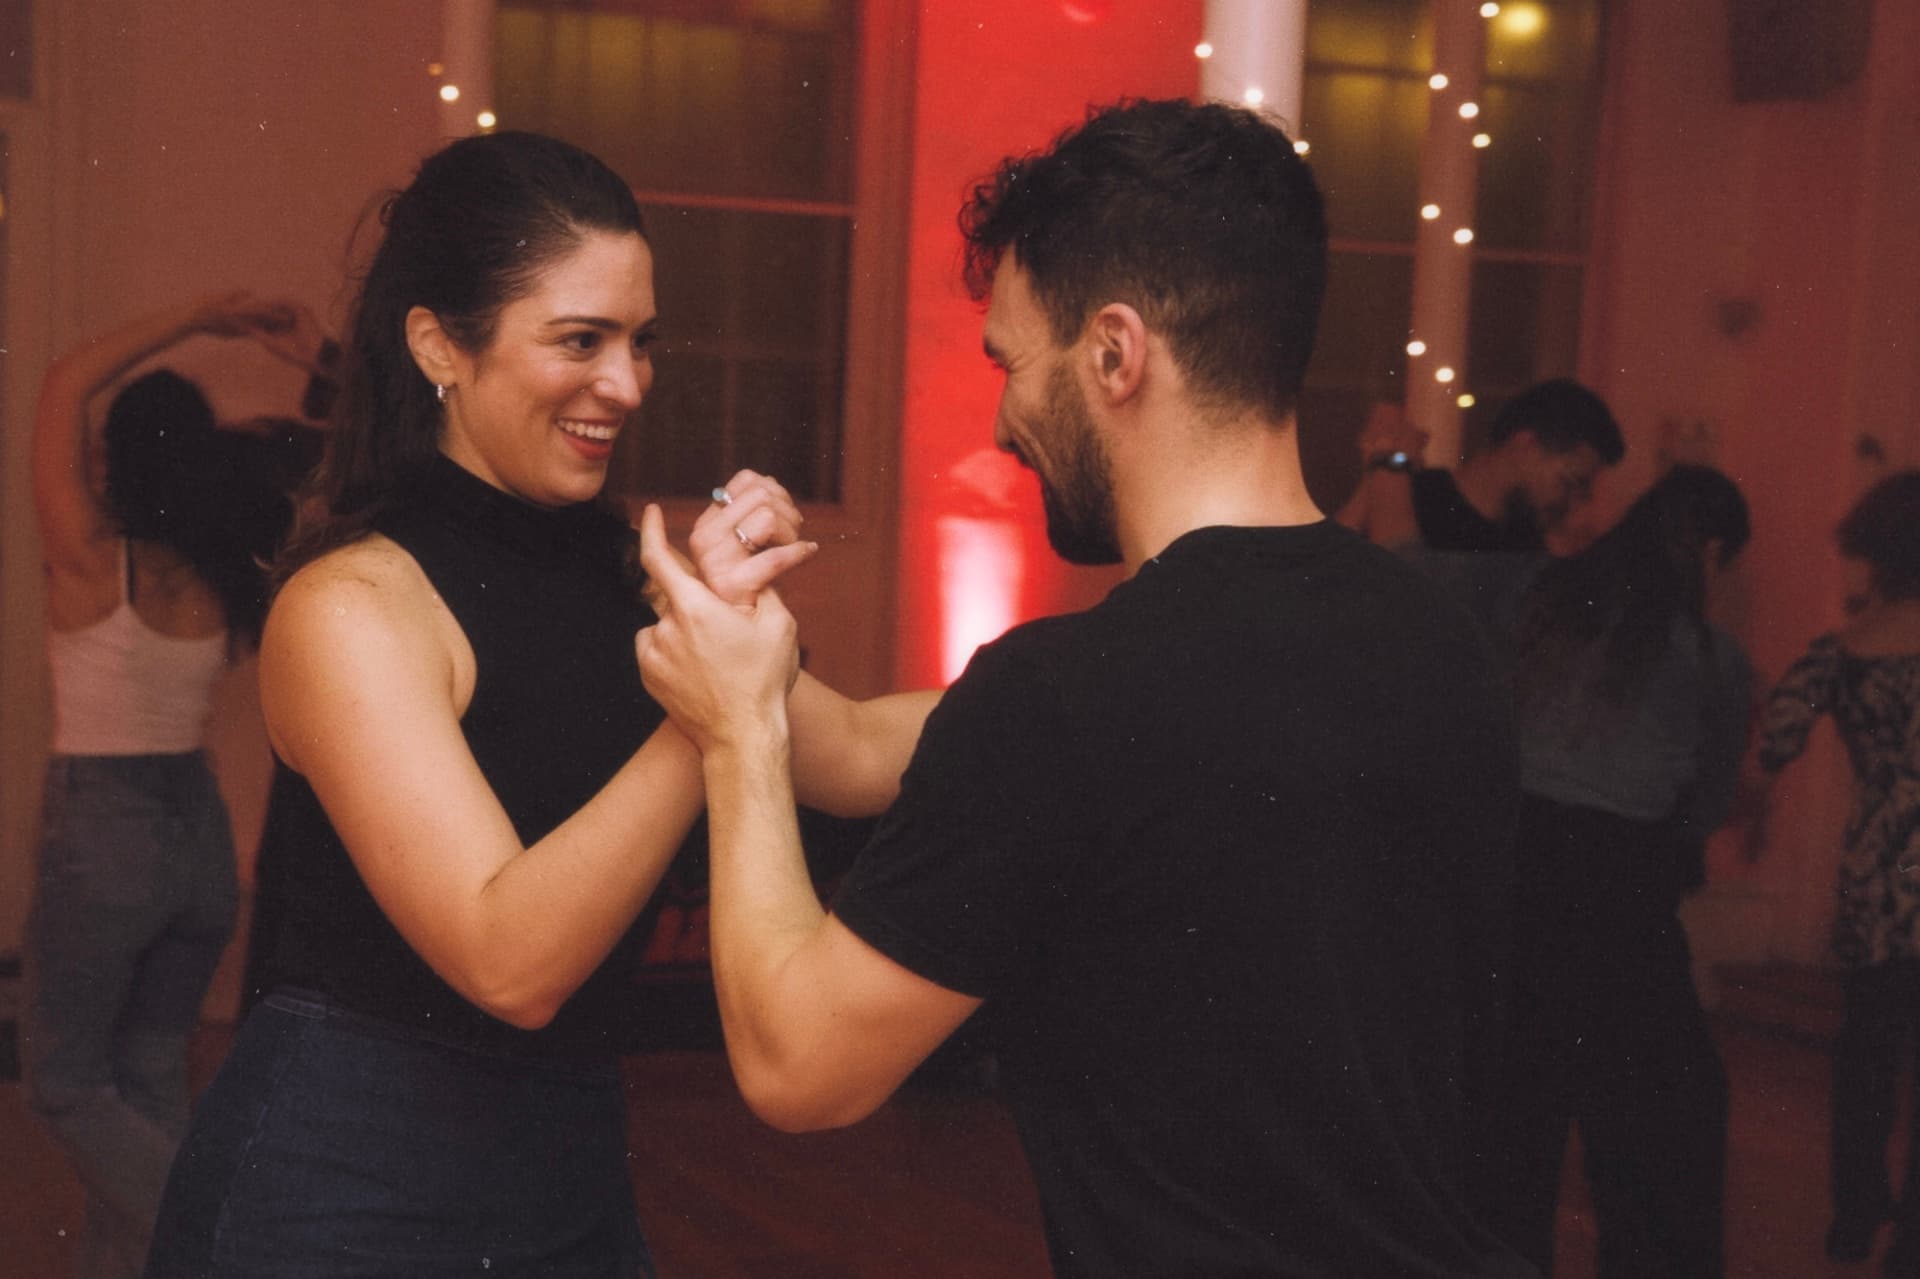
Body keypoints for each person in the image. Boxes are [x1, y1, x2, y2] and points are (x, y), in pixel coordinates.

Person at [634, 98, 1535, 1278]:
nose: (1005, 415)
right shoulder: (1439, 640)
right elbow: (858, 747)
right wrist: (736, 629)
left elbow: (800, 1068)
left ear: (1115, 353)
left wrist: (736, 731)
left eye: (1012, 359)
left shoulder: (1069, 696)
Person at [143, 131, 928, 1278]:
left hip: (565, 1162)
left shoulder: (621, 570)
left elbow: (855, 749)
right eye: (582, 340)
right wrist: (700, 704)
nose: (629, 383)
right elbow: (507, 959)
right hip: (343, 1181)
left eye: (641, 341)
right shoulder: (354, 603)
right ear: (438, 346)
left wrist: (1100, 675)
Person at [25, 292, 332, 1279]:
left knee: (64, 1083)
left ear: (116, 458)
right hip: (198, 840)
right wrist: (303, 349)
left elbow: (63, 378)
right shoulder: (218, 567)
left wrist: (205, 314)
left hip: (102, 833)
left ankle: (237, 1240)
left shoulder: (88, 557)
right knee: (147, 1076)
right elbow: (331, 435)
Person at [1437, 465, 1753, 1278]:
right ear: (1712, 551)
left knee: (1508, 1129)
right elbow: (1702, 806)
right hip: (1619, 892)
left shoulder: (1535, 594)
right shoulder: (1711, 657)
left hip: (1514, 876)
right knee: (1665, 1132)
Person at [1753, 471, 1920, 1273]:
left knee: (1866, 1059)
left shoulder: (1842, 652)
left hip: (1877, 878)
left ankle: (1855, 1215)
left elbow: (1773, 741)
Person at [1338, 377, 1625, 552]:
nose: (1575, 505)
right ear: (1525, 444)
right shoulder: (1412, 497)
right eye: (1570, 483)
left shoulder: (1530, 542)